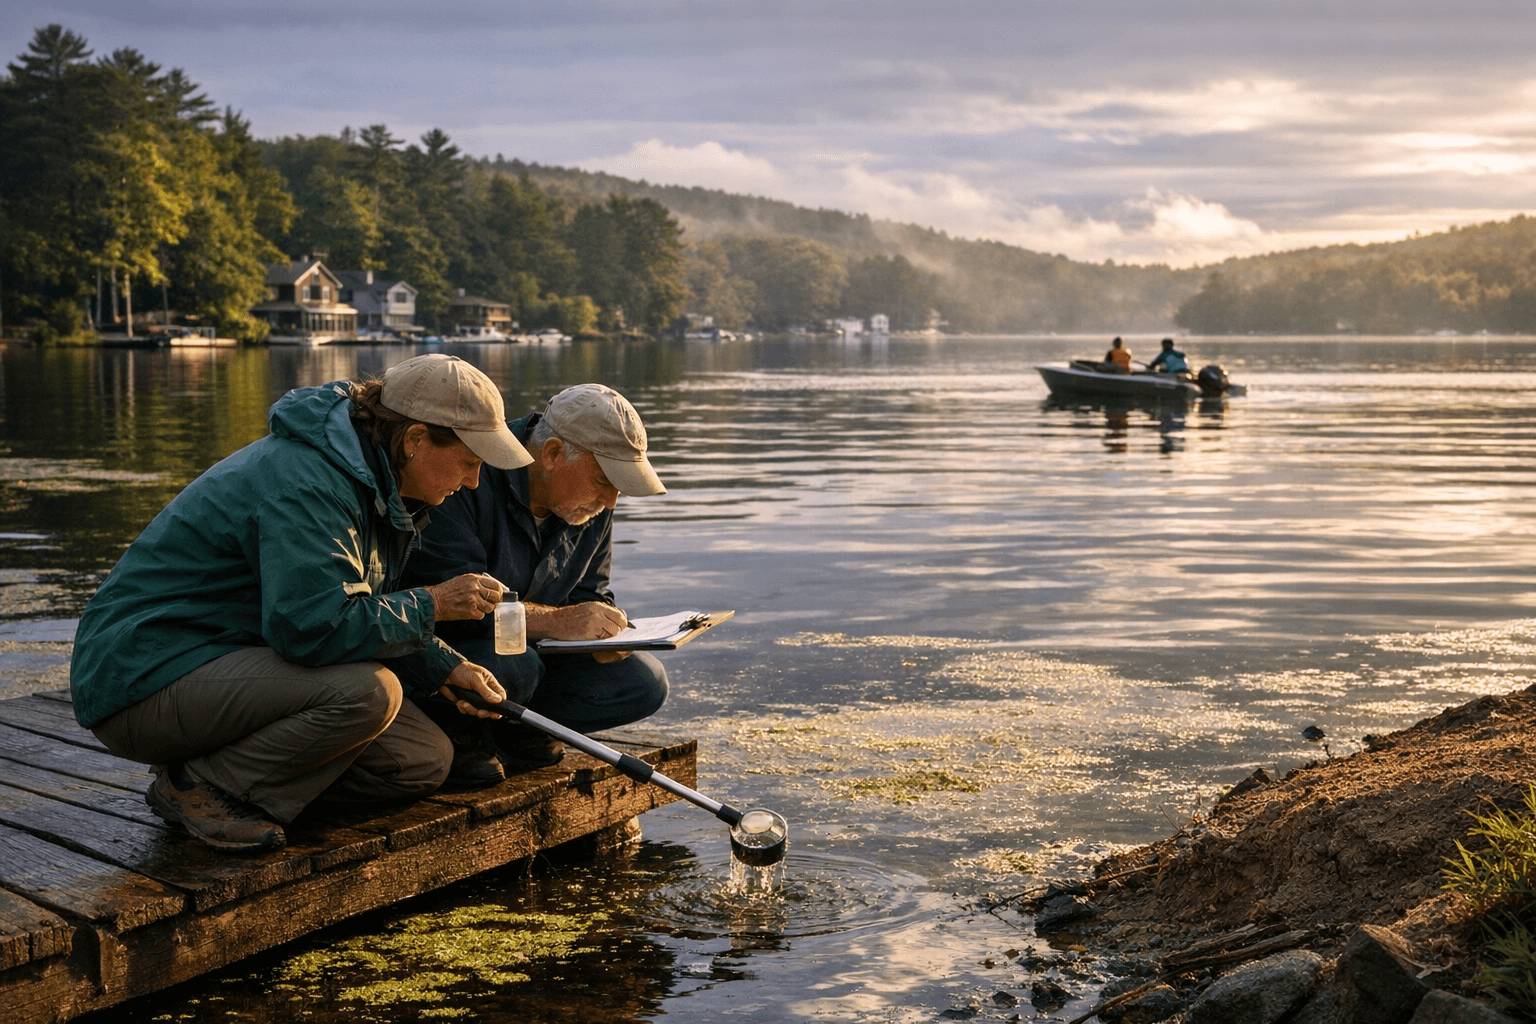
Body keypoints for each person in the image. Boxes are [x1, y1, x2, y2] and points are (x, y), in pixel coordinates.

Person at [69, 354, 528, 853]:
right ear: (415, 440)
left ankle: (239, 779)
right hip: (142, 678)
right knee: (370, 693)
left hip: (226, 661)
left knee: (419, 760)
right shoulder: (310, 482)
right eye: (469, 461)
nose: (474, 481)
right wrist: (433, 603)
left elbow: (357, 604)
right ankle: (198, 786)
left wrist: (445, 667)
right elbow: (312, 628)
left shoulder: (372, 480)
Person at [403, 382, 669, 785]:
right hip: (454, 653)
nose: (612, 500)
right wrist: (558, 622)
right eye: (603, 481)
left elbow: (590, 593)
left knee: (644, 682)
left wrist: (608, 636)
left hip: (536, 658)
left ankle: (518, 731)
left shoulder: (589, 505)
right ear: (553, 454)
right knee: (515, 665)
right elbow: (451, 605)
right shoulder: (467, 476)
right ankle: (460, 738)